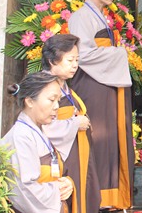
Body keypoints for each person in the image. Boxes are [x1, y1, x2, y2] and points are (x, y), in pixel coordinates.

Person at [68, 0, 134, 210]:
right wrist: (119, 54)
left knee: (109, 141)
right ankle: (94, 197)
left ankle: (109, 197)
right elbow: (83, 54)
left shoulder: (100, 16)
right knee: (97, 138)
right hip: (91, 84)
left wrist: (115, 53)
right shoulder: (81, 17)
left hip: (105, 83)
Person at [1, 71, 76, 213]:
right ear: (29, 101)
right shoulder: (21, 136)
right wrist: (57, 190)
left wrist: (67, 183)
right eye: (52, 100)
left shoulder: (37, 131)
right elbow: (25, 189)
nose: (57, 106)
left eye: (58, 100)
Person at [41, 34, 101, 213]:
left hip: (78, 153)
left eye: (77, 60)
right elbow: (42, 125)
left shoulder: (65, 87)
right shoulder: (42, 87)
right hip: (60, 158)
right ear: (52, 60)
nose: (75, 65)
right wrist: (74, 123)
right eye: (70, 60)